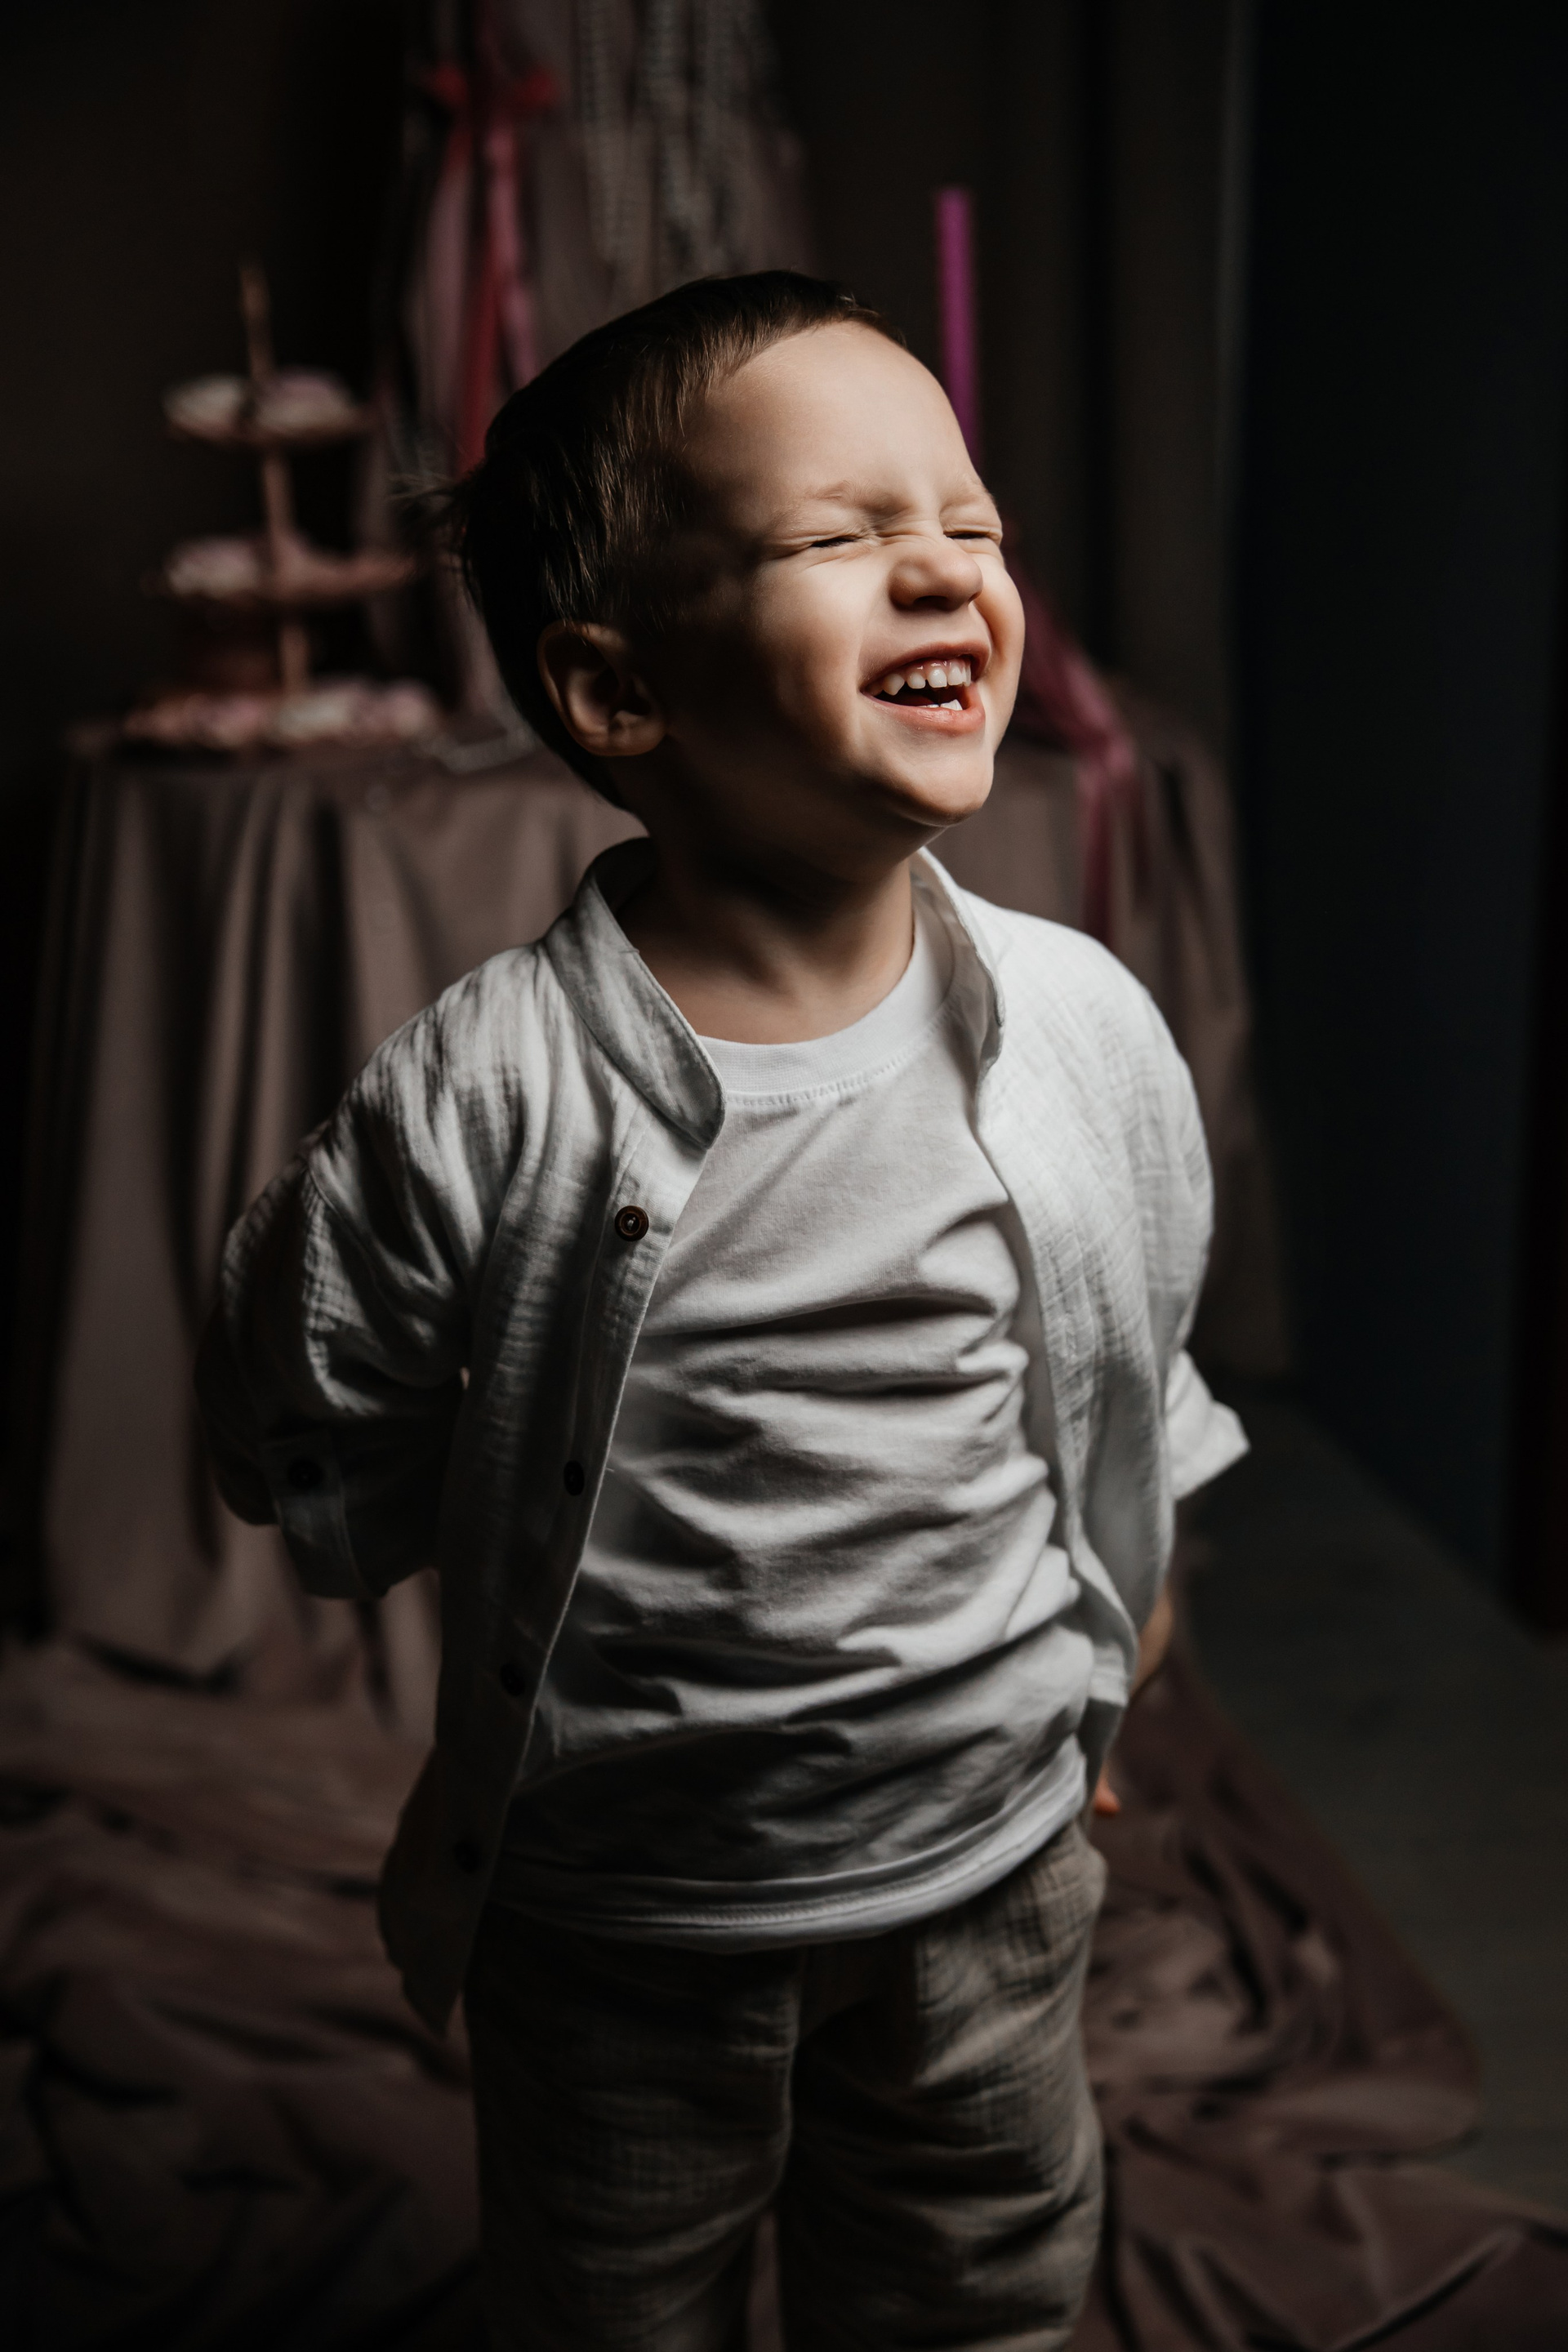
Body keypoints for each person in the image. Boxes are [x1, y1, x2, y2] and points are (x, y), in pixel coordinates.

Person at [197, 271, 1246, 2352]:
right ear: (616, 692)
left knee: (972, 2288)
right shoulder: (490, 1091)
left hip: (987, 1869)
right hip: (630, 1915)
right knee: (615, 2303)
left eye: (970, 521)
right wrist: (424, 1520)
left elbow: (1129, 1349)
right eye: (843, 534)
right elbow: (304, 1362)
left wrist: (1111, 1648)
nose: (943, 566)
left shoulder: (1077, 1028)